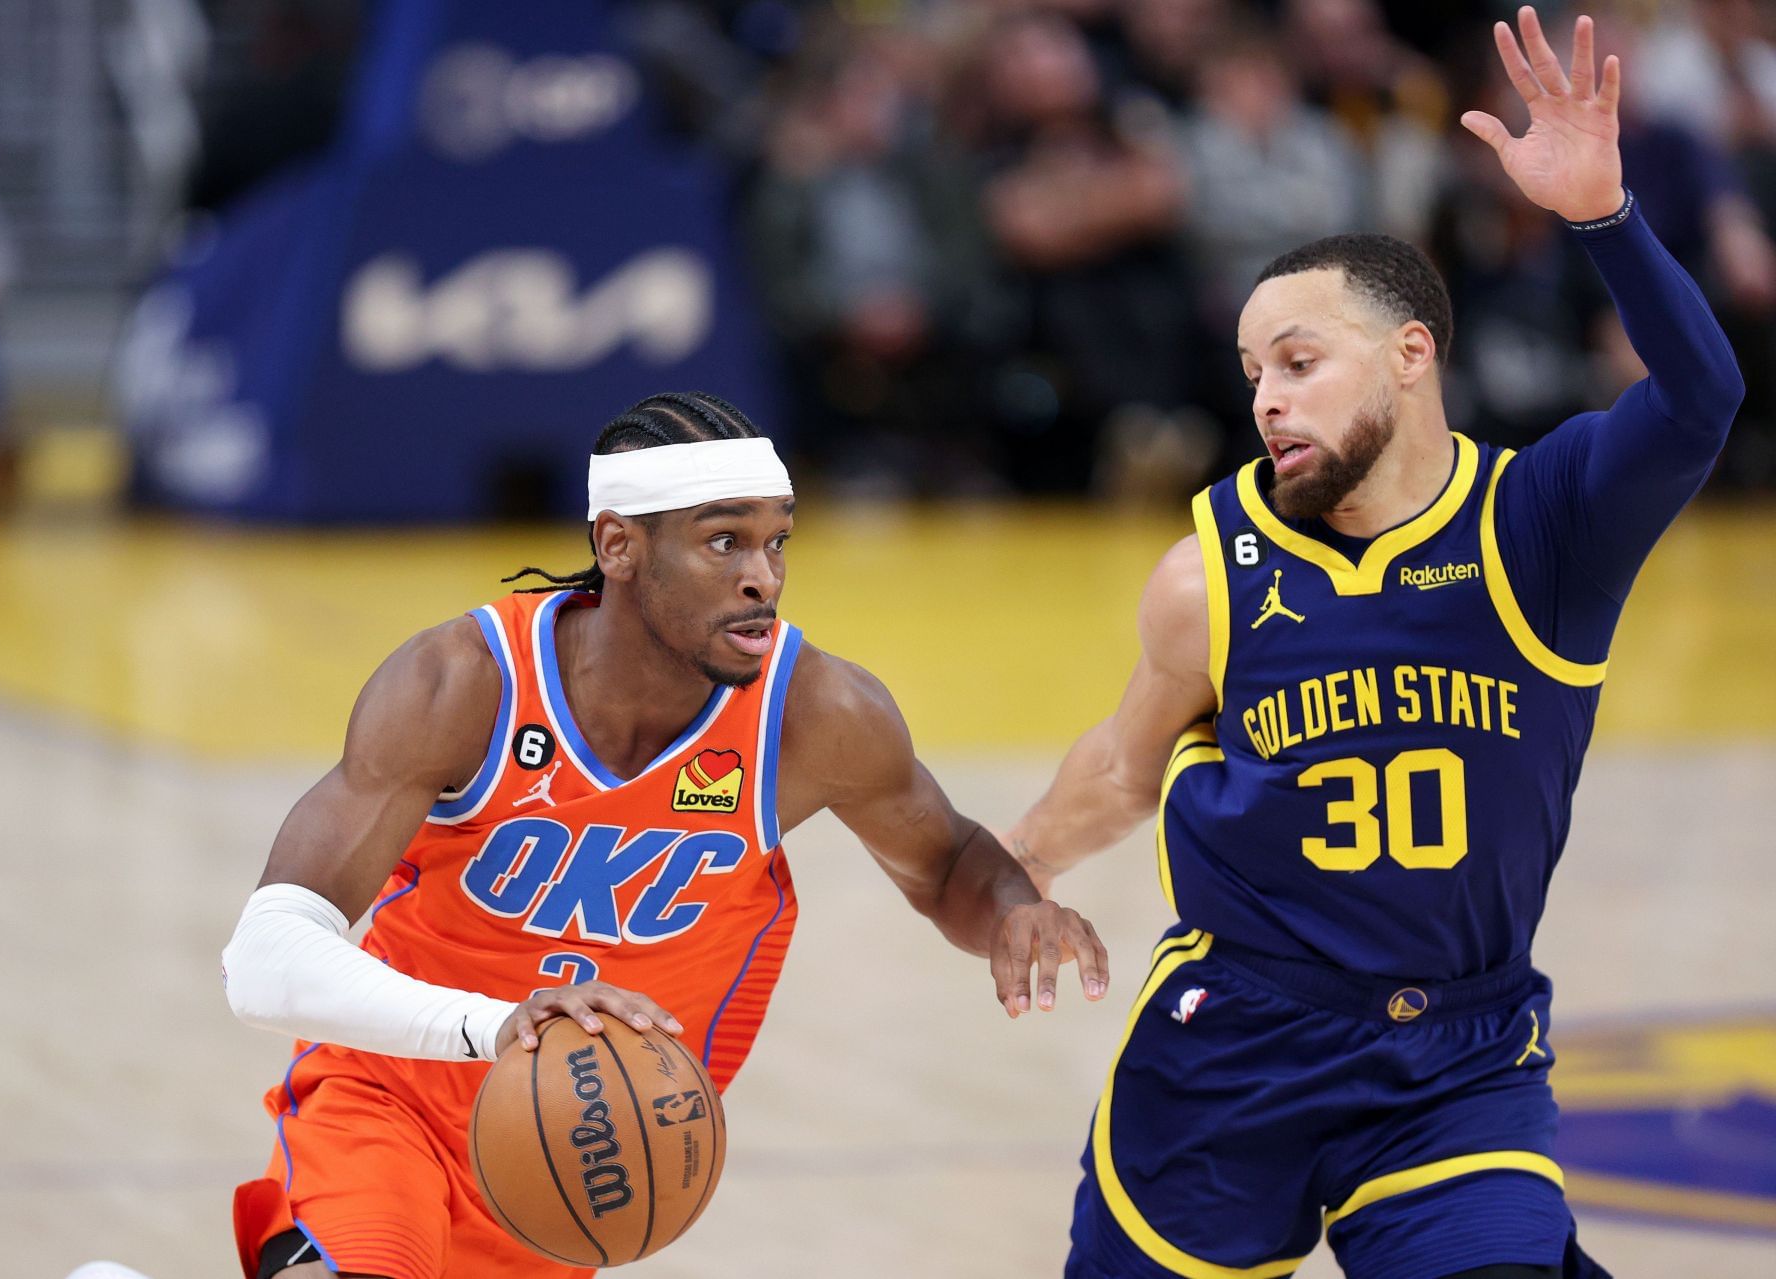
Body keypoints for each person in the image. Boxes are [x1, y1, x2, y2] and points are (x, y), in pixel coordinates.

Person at [1006, 10, 1740, 1278]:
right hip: (1229, 1047)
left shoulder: (1541, 525)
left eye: (1299, 359)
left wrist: (1605, 218)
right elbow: (1129, 763)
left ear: (1410, 357)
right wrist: (1004, 875)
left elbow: (1700, 399)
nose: (1268, 399)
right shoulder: (1210, 572)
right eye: (1251, 374)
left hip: (1456, 1061)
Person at [214, 390, 1110, 1279]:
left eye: (777, 541)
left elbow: (948, 858)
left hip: (575, 1149)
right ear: (619, 545)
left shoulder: (816, 713)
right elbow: (263, 958)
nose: (764, 575)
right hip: (387, 1102)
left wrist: (1013, 908)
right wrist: (497, 1028)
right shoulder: (463, 683)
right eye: (725, 541)